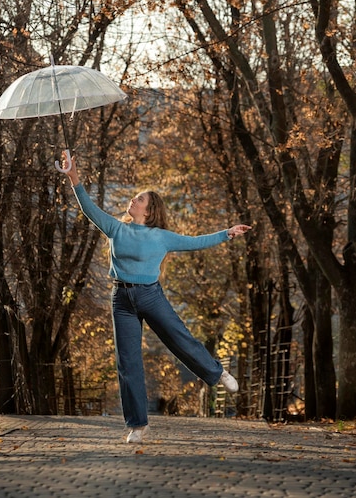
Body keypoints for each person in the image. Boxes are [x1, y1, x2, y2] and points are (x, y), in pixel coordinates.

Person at [62, 153, 251, 444]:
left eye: (139, 199)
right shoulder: (116, 228)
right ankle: (138, 425)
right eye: (135, 198)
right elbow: (89, 208)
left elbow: (195, 242)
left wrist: (227, 233)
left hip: (150, 296)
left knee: (179, 339)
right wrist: (73, 176)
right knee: (127, 362)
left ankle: (217, 373)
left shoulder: (161, 236)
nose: (133, 201)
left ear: (148, 211)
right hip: (121, 299)